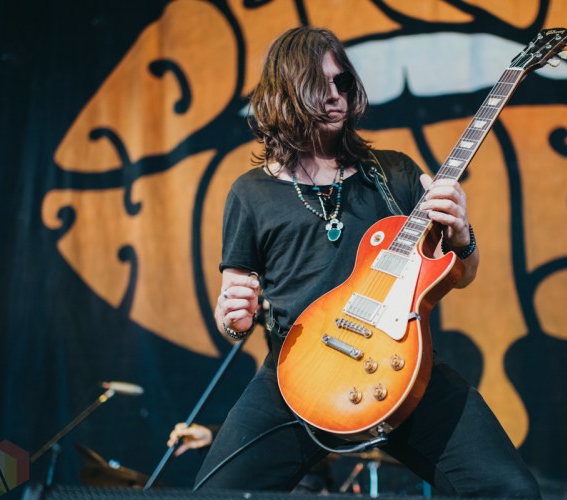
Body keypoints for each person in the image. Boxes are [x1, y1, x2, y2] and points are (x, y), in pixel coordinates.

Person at [196, 26, 540, 497]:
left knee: (510, 489)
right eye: (319, 85)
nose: (335, 95)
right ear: (284, 92)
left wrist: (462, 234)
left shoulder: (394, 172)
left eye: (342, 82)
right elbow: (233, 308)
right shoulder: (251, 192)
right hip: (297, 373)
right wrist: (233, 320)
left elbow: (461, 274)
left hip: (400, 364)